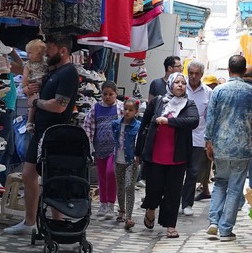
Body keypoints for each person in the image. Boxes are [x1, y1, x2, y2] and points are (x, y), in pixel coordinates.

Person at [5, 34, 80, 236]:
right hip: (40, 131)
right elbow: (34, 89)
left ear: (63, 51)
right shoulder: (51, 71)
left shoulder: (69, 72)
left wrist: (36, 103)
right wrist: (29, 89)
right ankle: (30, 221)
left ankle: (57, 223)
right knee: (29, 174)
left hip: (56, 133)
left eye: (50, 48)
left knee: (53, 177)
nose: (46, 52)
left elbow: (59, 105)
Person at [205, 55, 252, 241]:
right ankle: (225, 229)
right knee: (235, 189)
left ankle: (213, 221)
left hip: (221, 145)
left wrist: (208, 141)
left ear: (228, 69)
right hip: (242, 147)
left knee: (220, 183)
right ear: (244, 70)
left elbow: (210, 118)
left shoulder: (218, 91)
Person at [136, 72, 199, 239]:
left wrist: (169, 121)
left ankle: (170, 225)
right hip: (155, 155)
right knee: (154, 188)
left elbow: (193, 121)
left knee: (173, 192)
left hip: (177, 157)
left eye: (183, 83)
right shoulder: (158, 101)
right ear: (170, 85)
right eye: (176, 82)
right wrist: (138, 151)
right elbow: (144, 125)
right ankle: (151, 208)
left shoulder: (189, 104)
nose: (180, 85)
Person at [83, 81, 122, 218]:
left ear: (116, 94)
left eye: (111, 94)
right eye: (105, 94)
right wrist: (87, 141)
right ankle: (103, 203)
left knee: (110, 173)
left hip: (115, 148)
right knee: (101, 176)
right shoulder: (96, 108)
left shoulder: (121, 108)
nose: (107, 97)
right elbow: (87, 125)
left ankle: (111, 203)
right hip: (99, 147)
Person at [180, 60, 210, 216]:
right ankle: (174, 200)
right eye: (190, 73)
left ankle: (187, 203)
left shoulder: (207, 92)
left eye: (196, 73)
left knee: (193, 172)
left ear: (201, 74)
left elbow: (209, 116)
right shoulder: (180, 87)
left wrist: (208, 139)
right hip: (180, 135)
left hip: (198, 136)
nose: (193, 76)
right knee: (177, 171)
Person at [112, 98, 142, 230]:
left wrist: (139, 155)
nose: (127, 112)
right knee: (120, 186)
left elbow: (139, 142)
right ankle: (121, 210)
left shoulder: (138, 126)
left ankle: (129, 216)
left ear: (136, 112)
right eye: (125, 109)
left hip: (131, 160)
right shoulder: (116, 124)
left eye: (131, 110)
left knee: (129, 186)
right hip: (118, 159)